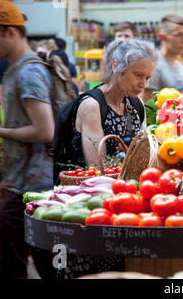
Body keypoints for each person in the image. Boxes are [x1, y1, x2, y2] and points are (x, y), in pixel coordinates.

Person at [60, 39, 156, 278]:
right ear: (116, 66)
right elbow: (98, 168)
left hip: (122, 209)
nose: (143, 84)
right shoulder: (92, 105)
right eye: (137, 75)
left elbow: (145, 155)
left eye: (147, 77)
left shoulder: (137, 107)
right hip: (90, 213)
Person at [0, 0, 56, 279]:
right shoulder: (15, 69)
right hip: (24, 184)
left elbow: (44, 131)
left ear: (10, 32)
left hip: (32, 188)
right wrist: (8, 178)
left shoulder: (29, 72)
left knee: (8, 268)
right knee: (45, 265)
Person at [141, 14, 183, 102]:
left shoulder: (181, 68)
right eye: (179, 35)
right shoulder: (153, 66)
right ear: (163, 37)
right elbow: (147, 107)